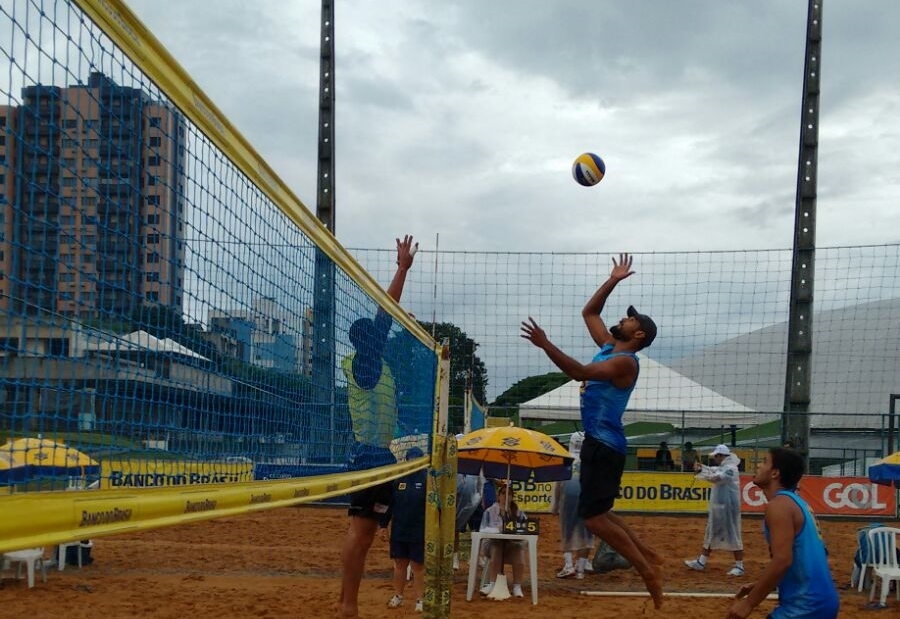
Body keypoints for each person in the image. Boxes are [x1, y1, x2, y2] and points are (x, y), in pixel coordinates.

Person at [520, 253, 664, 608]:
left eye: (629, 319)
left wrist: (545, 344)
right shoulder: (608, 347)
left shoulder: (623, 362)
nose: (623, 318)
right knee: (599, 510)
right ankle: (645, 552)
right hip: (596, 444)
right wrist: (613, 279)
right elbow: (590, 313)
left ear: (639, 333)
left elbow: (580, 373)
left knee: (594, 517)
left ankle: (645, 569)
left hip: (605, 444)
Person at [338, 235, 419, 619]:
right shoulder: (364, 362)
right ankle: (347, 606)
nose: (380, 335)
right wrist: (401, 269)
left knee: (368, 533)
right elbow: (384, 315)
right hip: (368, 455)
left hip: (383, 455)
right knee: (360, 531)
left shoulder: (377, 364)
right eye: (375, 334)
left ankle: (348, 604)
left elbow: (384, 322)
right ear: (367, 341)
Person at [725, 447, 839, 619]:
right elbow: (808, 557)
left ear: (775, 473)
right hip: (821, 601)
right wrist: (762, 585)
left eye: (764, 462)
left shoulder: (779, 506)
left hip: (806, 605)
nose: (758, 466)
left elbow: (783, 560)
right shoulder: (798, 504)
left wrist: (749, 603)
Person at [684, 444, 744, 576]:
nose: (714, 459)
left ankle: (739, 566)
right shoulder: (725, 467)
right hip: (721, 505)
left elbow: (717, 477)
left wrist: (701, 471)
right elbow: (714, 470)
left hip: (729, 507)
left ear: (721, 456)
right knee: (711, 531)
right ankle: (701, 561)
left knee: (733, 533)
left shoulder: (731, 469)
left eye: (716, 456)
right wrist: (702, 468)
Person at [382, 447, 427, 613]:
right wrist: (382, 525)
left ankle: (420, 599)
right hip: (400, 530)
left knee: (417, 566)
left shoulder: (427, 479)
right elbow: (390, 505)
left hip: (418, 530)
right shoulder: (399, 479)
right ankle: (398, 596)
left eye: (416, 459)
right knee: (399, 564)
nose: (413, 462)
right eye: (411, 459)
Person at [554, 431, 595, 579]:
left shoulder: (565, 460)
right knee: (586, 533)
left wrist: (554, 506)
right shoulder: (590, 461)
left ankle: (568, 565)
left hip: (568, 499)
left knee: (568, 531)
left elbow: (558, 485)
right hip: (586, 498)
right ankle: (581, 570)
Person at [479, 483, 528, 598]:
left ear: (512, 497)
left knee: (518, 549)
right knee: (497, 545)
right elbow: (482, 530)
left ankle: (517, 586)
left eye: (509, 494)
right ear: (498, 496)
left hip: (511, 546)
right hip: (490, 545)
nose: (506, 496)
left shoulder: (519, 513)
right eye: (503, 493)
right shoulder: (489, 511)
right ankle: (492, 583)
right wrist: (497, 530)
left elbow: (527, 530)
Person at [452, 468, 483, 570]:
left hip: (474, 501)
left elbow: (480, 482)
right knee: (454, 528)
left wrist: (480, 498)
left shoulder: (476, 463)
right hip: (456, 498)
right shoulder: (453, 462)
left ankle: (475, 556)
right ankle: (454, 558)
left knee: (477, 528)